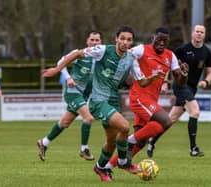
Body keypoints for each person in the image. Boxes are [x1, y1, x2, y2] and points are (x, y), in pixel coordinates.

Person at [42, 26, 167, 182]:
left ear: (131, 42)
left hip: (113, 101)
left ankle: (100, 167)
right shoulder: (102, 50)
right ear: (116, 38)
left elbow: (141, 82)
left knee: (111, 141)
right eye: (122, 38)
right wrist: (57, 69)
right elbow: (77, 54)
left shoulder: (131, 59)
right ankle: (123, 162)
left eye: (128, 40)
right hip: (98, 101)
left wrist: (153, 77)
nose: (125, 42)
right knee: (125, 127)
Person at [105, 27, 189, 170]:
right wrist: (126, 77)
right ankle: (130, 141)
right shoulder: (142, 50)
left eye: (165, 41)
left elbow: (179, 81)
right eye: (159, 40)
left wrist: (184, 74)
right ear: (153, 39)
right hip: (139, 97)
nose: (161, 43)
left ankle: (107, 166)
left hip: (151, 100)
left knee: (142, 140)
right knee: (166, 121)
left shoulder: (171, 56)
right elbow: (125, 56)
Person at [147, 24, 211, 157]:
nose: (199, 34)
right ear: (192, 33)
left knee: (171, 119)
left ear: (204, 35)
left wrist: (206, 81)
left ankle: (152, 140)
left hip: (193, 88)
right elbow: (166, 64)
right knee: (195, 112)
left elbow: (210, 73)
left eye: (201, 32)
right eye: (197, 31)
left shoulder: (207, 52)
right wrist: (165, 83)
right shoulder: (182, 49)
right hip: (180, 85)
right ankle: (193, 148)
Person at [37, 31, 102, 162]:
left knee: (65, 123)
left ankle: (44, 143)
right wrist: (68, 78)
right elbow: (61, 61)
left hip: (84, 94)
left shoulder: (101, 56)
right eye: (92, 40)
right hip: (72, 92)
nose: (95, 43)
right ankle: (84, 149)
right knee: (88, 118)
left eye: (97, 40)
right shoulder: (80, 53)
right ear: (87, 41)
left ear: (101, 42)